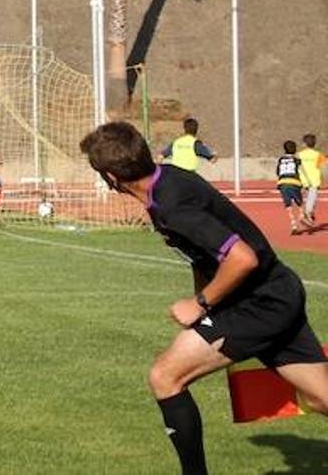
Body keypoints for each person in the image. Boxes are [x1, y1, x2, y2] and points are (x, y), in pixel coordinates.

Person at [80, 121, 328, 475]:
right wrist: (204, 296)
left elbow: (242, 258)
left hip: (257, 305)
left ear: (110, 177)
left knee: (165, 376)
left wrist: (200, 303)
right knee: (321, 397)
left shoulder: (171, 206)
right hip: (277, 291)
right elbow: (205, 253)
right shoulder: (167, 179)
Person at [275, 140, 309, 236]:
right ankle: (302, 216)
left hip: (282, 183)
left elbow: (278, 172)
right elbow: (302, 171)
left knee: (288, 205)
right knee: (300, 203)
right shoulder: (296, 160)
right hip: (294, 181)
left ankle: (293, 224)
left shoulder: (281, 159)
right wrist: (306, 183)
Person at [297, 134, 325, 226]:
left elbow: (297, 167)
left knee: (307, 199)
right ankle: (307, 214)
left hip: (303, 180)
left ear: (304, 144)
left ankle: (308, 215)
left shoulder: (299, 155)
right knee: (312, 199)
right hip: (314, 180)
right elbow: (323, 167)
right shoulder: (318, 155)